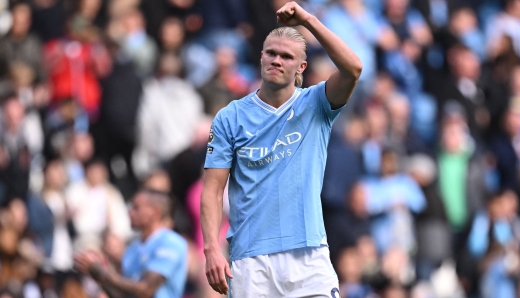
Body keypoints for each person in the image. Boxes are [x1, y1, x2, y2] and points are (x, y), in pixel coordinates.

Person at [200, 1, 362, 297]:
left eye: (286, 56)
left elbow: (353, 68)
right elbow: (212, 190)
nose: (276, 60)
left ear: (301, 66)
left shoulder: (316, 104)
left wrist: (308, 20)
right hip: (251, 261)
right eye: (271, 53)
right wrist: (211, 248)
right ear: (261, 57)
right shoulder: (230, 117)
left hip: (309, 255)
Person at [74, 189, 188, 298]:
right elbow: (122, 295)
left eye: (136, 208)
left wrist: (102, 273)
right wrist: (98, 276)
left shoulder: (171, 243)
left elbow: (145, 289)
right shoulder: (132, 248)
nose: (130, 211)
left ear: (155, 213)